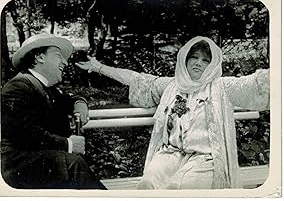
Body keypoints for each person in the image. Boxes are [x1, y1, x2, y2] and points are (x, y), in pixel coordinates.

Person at [76, 36, 270, 189]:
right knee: (147, 185)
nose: (198, 63)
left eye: (205, 60)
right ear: (185, 59)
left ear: (212, 65)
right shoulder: (171, 86)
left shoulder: (222, 87)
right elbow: (136, 79)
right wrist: (98, 67)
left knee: (176, 188)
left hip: (205, 161)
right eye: (194, 57)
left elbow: (257, 84)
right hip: (170, 154)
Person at [1, 33, 107, 189]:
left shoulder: (44, 87)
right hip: (18, 166)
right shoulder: (18, 86)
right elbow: (25, 134)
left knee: (71, 164)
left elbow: (71, 99)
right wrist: (68, 144)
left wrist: (80, 104)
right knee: (73, 164)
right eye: (58, 56)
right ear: (39, 57)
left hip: (40, 163)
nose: (65, 62)